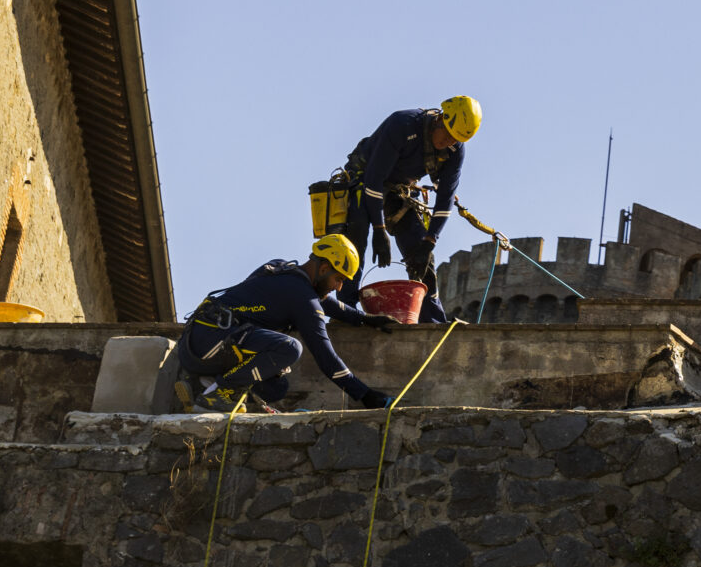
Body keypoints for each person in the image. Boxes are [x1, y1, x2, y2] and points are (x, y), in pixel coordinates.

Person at [177, 233, 395, 413]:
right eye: (338, 279)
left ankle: (202, 383)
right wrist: (364, 395)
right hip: (211, 344)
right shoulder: (303, 299)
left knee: (275, 387)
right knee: (289, 348)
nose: (339, 287)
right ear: (323, 268)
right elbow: (326, 358)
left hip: (198, 342)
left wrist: (363, 318)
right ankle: (216, 396)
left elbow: (320, 301)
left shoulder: (280, 269)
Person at [331, 95, 480, 324]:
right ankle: (346, 312)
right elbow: (373, 180)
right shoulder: (404, 124)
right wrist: (380, 230)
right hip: (364, 183)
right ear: (440, 119)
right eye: (447, 133)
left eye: (455, 139)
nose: (448, 141)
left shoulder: (454, 150)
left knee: (421, 253)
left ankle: (432, 321)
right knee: (356, 238)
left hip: (399, 192)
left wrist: (430, 241)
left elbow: (445, 200)